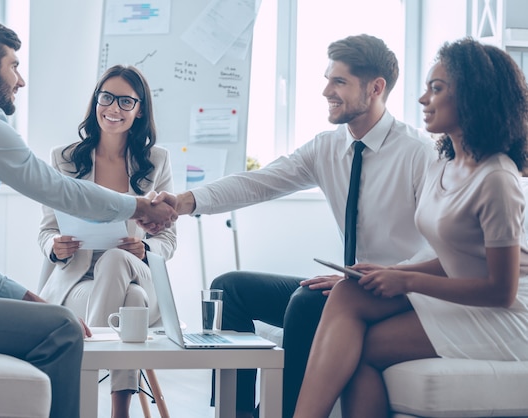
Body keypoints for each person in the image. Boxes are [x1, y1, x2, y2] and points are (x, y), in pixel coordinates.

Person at [0, 19, 176, 418]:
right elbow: (56, 189)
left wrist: (28, 298)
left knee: (57, 316)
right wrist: (138, 206)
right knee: (62, 328)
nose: (21, 80)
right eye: (13, 66)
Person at [153, 34, 437, 418]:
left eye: (339, 82)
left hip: (397, 294)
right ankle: (237, 414)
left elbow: (439, 246)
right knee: (230, 289)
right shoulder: (326, 148)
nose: (325, 91)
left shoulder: (419, 154)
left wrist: (368, 280)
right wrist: (183, 203)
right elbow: (260, 182)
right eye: (327, 79)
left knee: (306, 302)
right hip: (350, 287)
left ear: (376, 88)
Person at [293, 37, 528, 418]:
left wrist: (408, 281)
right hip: (463, 297)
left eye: (436, 89)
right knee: (349, 294)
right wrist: (394, 271)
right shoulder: (444, 163)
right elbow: (458, 257)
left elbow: (502, 291)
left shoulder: (497, 177)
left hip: (507, 317)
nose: (422, 99)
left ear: (473, 97)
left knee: (358, 349)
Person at [38, 64, 176, 417]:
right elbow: (46, 229)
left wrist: (145, 249)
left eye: (126, 101)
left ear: (140, 109)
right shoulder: (65, 159)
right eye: (106, 97)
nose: (113, 108)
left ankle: (82, 389)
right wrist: (54, 247)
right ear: (95, 101)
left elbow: (169, 239)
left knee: (118, 261)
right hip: (80, 278)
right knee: (133, 301)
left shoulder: (156, 161)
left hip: (135, 268)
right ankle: (120, 412)